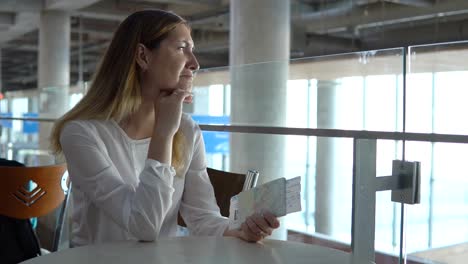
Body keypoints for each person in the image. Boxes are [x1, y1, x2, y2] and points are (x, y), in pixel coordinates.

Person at [50, 9, 279, 246]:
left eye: (193, 50)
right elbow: (144, 226)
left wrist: (239, 231)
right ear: (143, 56)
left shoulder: (187, 129)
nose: (195, 63)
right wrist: (163, 133)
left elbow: (202, 217)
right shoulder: (81, 133)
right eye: (182, 48)